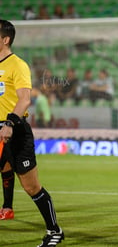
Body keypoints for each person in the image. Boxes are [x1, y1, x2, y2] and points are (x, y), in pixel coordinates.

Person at [0, 20, 64, 245]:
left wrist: (9, 123)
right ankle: (7, 208)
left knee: (31, 187)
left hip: (15, 131)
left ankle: (54, 231)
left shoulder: (17, 65)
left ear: (5, 39)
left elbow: (25, 99)